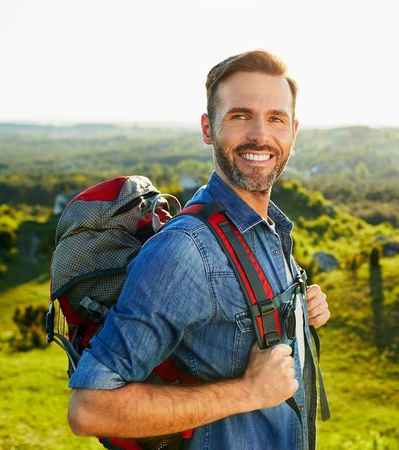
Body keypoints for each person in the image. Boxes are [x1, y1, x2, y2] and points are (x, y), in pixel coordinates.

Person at [67, 49, 330, 450]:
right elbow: (90, 409)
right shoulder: (184, 250)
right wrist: (248, 392)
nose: (260, 135)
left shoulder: (269, 228)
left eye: (275, 118)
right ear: (209, 129)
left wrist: (298, 313)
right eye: (240, 115)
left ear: (293, 130)